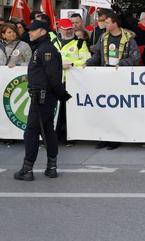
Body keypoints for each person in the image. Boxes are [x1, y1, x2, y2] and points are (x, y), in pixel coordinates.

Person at [14, 20, 71, 181]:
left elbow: (53, 77)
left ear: (43, 31)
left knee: (31, 133)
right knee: (47, 130)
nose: (29, 32)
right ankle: (51, 167)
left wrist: (62, 95)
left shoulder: (47, 50)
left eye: (33, 30)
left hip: (42, 97)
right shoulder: (41, 48)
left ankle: (27, 170)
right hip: (42, 96)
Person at [86, 12, 139, 150]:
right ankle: (104, 137)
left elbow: (135, 58)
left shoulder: (129, 39)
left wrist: (121, 64)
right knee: (104, 109)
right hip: (105, 78)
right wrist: (88, 63)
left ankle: (115, 138)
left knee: (117, 110)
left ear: (115, 23)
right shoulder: (103, 38)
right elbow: (97, 55)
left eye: (107, 22)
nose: (104, 24)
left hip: (121, 79)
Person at [55, 18, 91, 144]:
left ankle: (67, 136)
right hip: (55, 80)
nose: (69, 31)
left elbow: (86, 60)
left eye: (71, 28)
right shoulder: (53, 42)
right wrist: (58, 64)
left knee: (68, 110)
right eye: (66, 29)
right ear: (60, 29)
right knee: (54, 110)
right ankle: (54, 135)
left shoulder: (80, 43)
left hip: (71, 81)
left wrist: (71, 63)